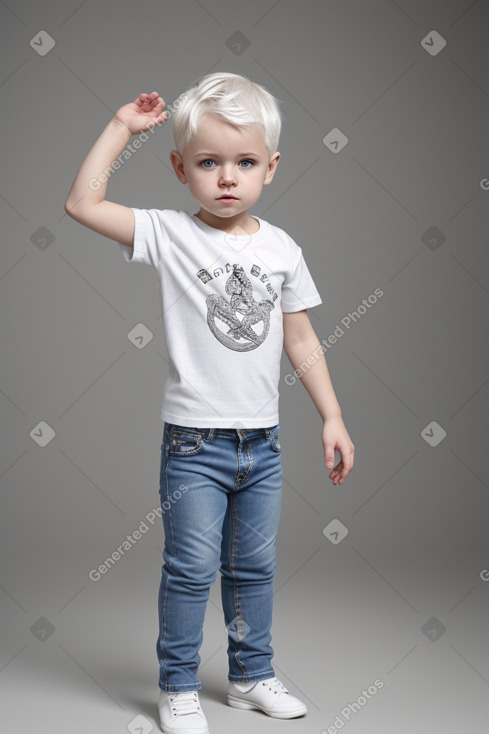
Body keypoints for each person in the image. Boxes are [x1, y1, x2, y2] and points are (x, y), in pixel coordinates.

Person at [65, 72, 355, 734]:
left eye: (244, 162)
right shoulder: (169, 234)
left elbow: (300, 337)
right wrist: (120, 128)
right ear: (179, 168)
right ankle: (177, 687)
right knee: (191, 568)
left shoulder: (281, 248)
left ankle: (251, 675)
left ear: (270, 168)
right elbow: (83, 205)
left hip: (264, 444)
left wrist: (331, 415)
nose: (227, 177)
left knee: (252, 568)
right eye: (208, 163)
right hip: (194, 445)